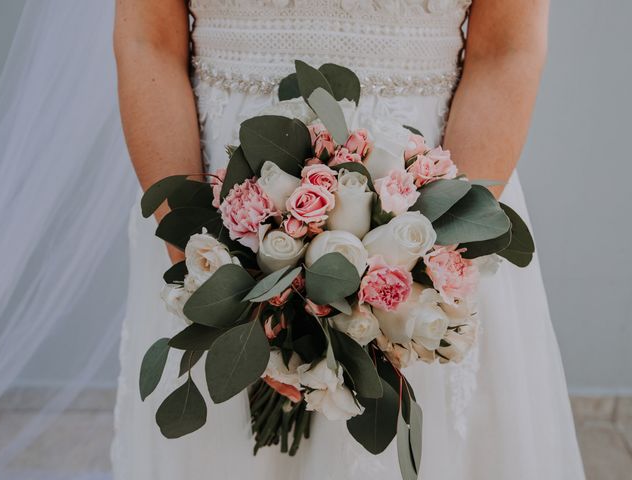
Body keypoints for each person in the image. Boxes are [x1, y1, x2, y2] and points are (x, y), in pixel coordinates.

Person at [112, 0, 585, 478]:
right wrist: (213, 279)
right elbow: (147, 40)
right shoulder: (208, 250)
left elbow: (505, 49)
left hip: (431, 195)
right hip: (218, 200)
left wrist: (422, 263)